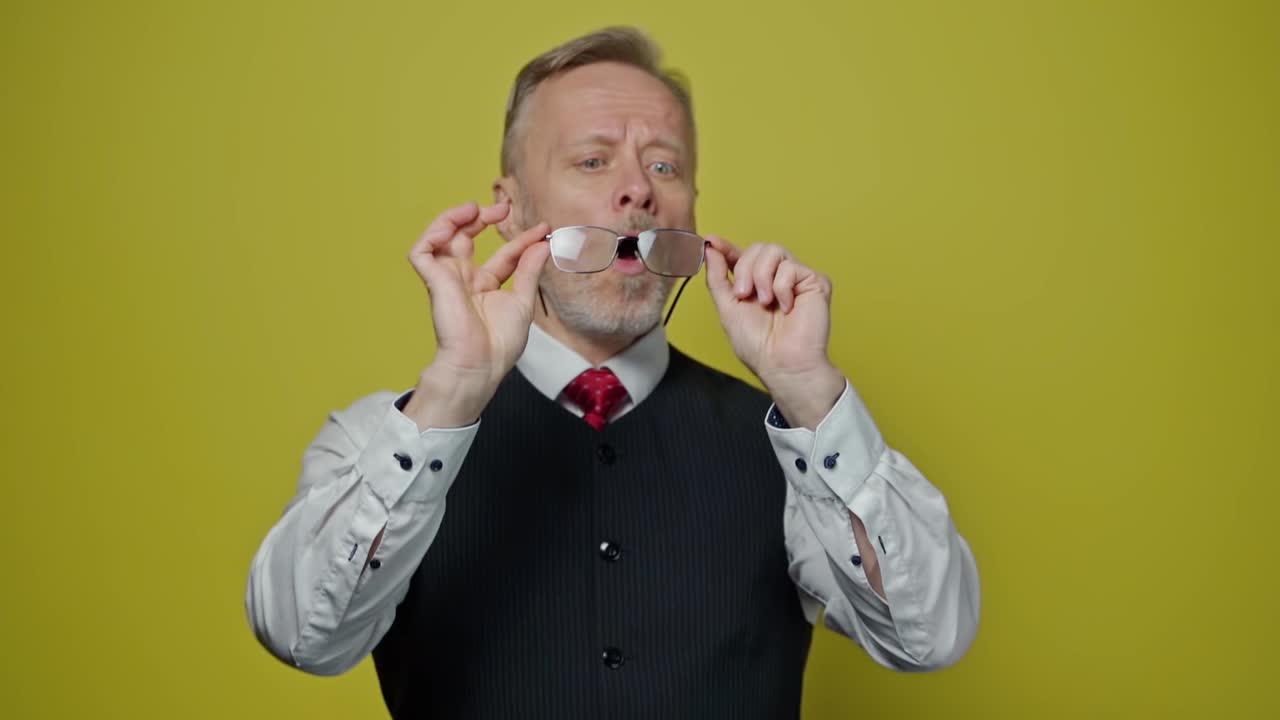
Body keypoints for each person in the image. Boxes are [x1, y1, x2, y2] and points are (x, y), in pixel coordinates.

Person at [246, 26, 980, 720]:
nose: (637, 190)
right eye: (593, 162)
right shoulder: (381, 438)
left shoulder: (793, 447)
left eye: (665, 165)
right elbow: (304, 638)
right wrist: (452, 391)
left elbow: (928, 636)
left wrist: (814, 396)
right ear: (512, 209)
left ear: (691, 209)